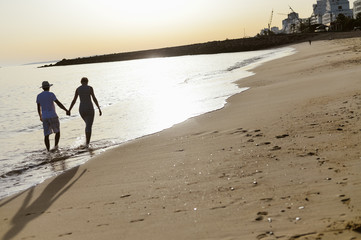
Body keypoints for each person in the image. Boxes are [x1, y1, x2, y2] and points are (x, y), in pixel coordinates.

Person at [68, 77, 102, 147]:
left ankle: (86, 141)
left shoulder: (78, 89)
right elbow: (94, 98)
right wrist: (99, 108)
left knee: (87, 124)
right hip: (89, 107)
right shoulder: (90, 88)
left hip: (82, 109)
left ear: (81, 82)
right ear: (87, 82)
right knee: (89, 126)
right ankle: (87, 144)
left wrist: (69, 109)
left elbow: (74, 100)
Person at [36, 81, 69, 151]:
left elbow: (38, 108)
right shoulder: (51, 94)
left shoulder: (39, 96)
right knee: (57, 132)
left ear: (43, 88)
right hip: (52, 115)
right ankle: (56, 146)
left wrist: (40, 116)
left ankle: (48, 150)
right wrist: (66, 110)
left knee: (46, 135)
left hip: (44, 117)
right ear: (48, 87)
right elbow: (58, 103)